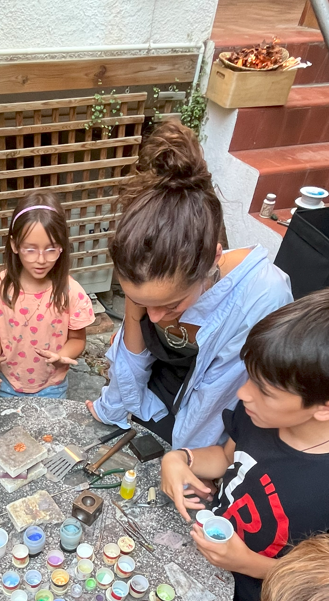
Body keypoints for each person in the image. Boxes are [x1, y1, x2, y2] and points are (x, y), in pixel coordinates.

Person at [160, 283, 329, 601]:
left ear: (328, 408)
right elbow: (227, 455)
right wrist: (179, 459)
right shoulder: (260, 413)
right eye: (249, 377)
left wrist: (247, 563)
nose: (244, 393)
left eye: (265, 390)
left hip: (249, 589)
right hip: (202, 547)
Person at [87, 121, 292, 447]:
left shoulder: (260, 297)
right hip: (154, 401)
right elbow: (132, 352)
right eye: (140, 302)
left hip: (211, 422)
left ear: (213, 260)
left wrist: (186, 461)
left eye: (171, 305)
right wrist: (111, 407)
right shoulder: (147, 269)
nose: (154, 316)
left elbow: (213, 404)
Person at [0, 190, 95, 399]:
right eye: (30, 249)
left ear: (62, 247)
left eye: (51, 249)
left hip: (52, 387)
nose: (41, 259)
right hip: (6, 384)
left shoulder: (72, 293)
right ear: (15, 245)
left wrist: (62, 356)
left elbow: (77, 339)